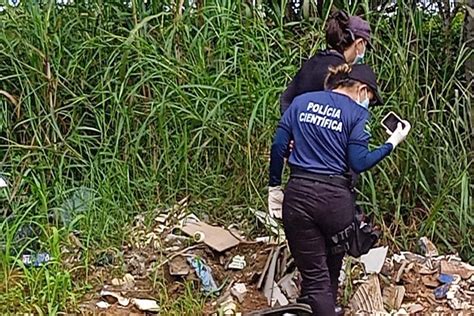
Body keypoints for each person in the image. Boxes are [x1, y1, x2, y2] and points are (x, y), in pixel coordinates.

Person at [267, 64, 411, 315]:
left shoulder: (301, 102)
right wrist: (391, 143)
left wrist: (275, 187)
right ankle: (325, 307)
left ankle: (320, 307)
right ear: (363, 90)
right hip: (335, 202)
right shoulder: (357, 115)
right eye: (371, 99)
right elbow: (359, 162)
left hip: (299, 196)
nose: (369, 104)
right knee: (330, 268)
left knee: (314, 274)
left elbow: (279, 146)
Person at [280, 10, 372, 114]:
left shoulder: (313, 61)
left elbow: (286, 99)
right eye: (365, 46)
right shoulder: (341, 72)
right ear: (359, 44)